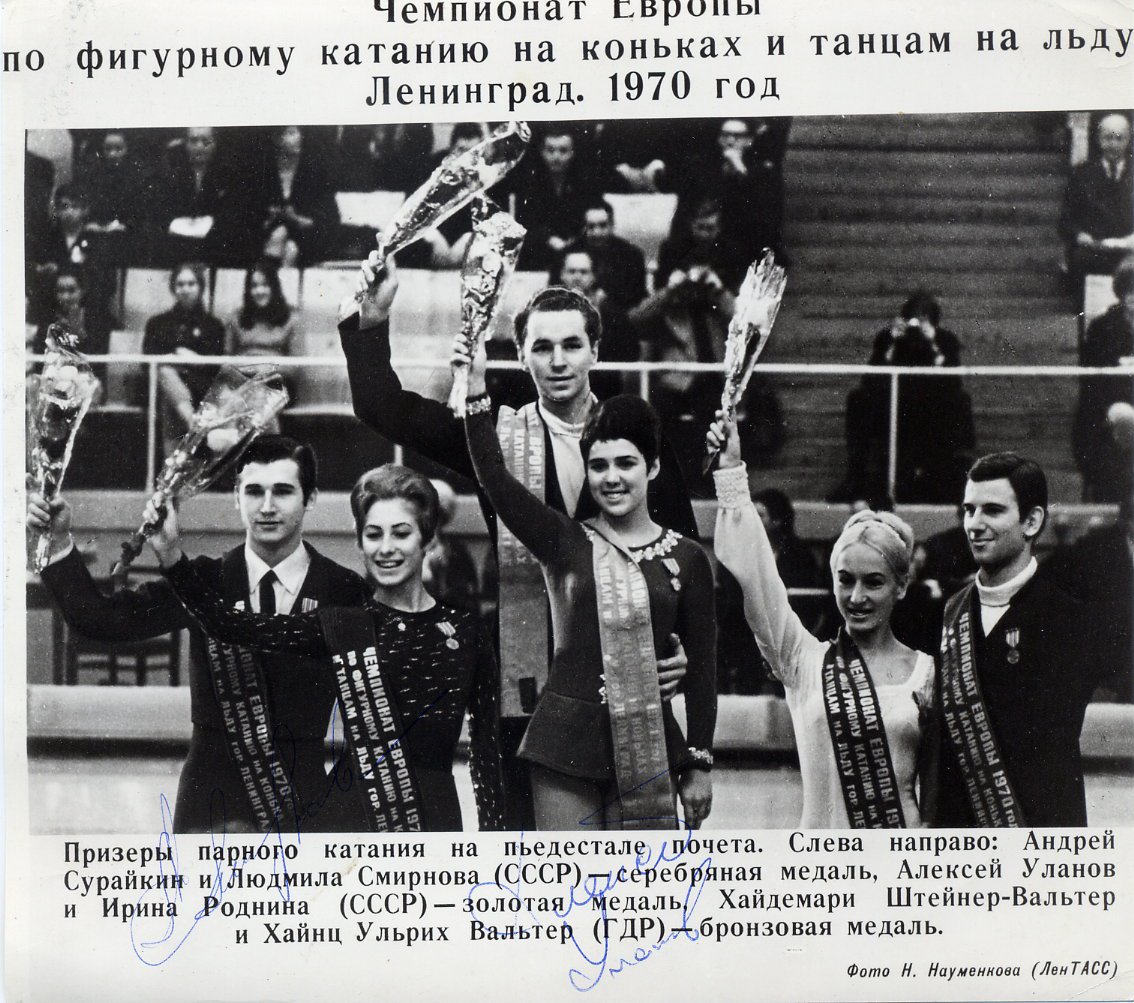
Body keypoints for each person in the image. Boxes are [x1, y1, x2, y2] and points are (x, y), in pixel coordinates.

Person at [337, 258, 697, 828]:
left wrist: (681, 651)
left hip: (628, 680)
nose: (557, 361)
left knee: (635, 867)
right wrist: (371, 319)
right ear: (522, 354)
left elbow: (682, 562)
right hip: (521, 683)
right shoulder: (494, 437)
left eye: (571, 345)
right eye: (541, 346)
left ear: (595, 353)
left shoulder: (640, 443)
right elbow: (382, 407)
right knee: (528, 862)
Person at [26, 436, 372, 834]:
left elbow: (369, 719)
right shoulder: (204, 579)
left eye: (283, 491)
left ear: (310, 498)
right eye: (254, 491)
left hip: (304, 799)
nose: (267, 506)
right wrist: (56, 539)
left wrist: (341, 805)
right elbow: (99, 620)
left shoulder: (344, 589)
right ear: (235, 498)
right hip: (209, 800)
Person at [148, 464, 506, 832]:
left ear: (428, 538)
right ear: (359, 540)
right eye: (373, 534)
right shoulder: (342, 623)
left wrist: (496, 840)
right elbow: (229, 625)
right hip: (345, 825)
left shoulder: (467, 632)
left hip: (436, 819)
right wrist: (172, 556)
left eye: (401, 534)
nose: (386, 549)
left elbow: (487, 755)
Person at [457, 336, 716, 829]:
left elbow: (703, 672)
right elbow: (494, 476)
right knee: (567, 892)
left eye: (626, 463)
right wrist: (473, 390)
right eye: (598, 465)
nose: (611, 478)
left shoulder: (688, 557)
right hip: (563, 744)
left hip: (649, 740)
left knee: (642, 899)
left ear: (653, 467)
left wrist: (700, 761)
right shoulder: (561, 539)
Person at [710, 415, 938, 828]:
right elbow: (758, 574)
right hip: (819, 872)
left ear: (901, 587)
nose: (857, 597)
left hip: (899, 864)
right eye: (845, 580)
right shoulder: (802, 661)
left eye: (874, 583)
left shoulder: (927, 674)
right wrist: (731, 473)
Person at [936, 453, 1102, 827]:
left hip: (1037, 839)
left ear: (1032, 521)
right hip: (955, 846)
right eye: (968, 510)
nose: (973, 525)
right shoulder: (946, 615)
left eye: (992, 511)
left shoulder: (1072, 620)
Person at [828, 291, 975, 504]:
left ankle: (951, 481)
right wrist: (891, 346)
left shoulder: (945, 340)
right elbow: (870, 380)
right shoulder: (889, 337)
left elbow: (954, 382)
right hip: (895, 408)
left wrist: (933, 344)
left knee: (960, 402)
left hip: (933, 409)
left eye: (923, 319)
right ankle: (856, 479)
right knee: (857, 399)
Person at [142, 262, 226, 455]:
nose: (185, 289)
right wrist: (172, 358)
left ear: (201, 287)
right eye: (180, 284)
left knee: (171, 401)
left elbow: (216, 366)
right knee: (165, 374)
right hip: (159, 386)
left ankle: (171, 475)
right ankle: (194, 425)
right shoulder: (157, 323)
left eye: (191, 284)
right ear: (173, 288)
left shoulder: (213, 325)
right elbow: (146, 363)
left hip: (201, 386)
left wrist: (193, 359)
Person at [1072, 254, 1134, 501]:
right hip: (1106, 418)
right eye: (1132, 292)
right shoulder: (1102, 328)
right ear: (1123, 295)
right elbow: (1093, 385)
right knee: (1122, 415)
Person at [1059, 112, 1134, 303]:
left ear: (1128, 140)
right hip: (1094, 248)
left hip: (1129, 250)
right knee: (1079, 260)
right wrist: (1080, 236)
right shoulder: (1083, 174)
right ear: (1099, 140)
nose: (1114, 145)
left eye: (1119, 138)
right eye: (1108, 138)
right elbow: (1066, 220)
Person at [224, 260, 303, 406]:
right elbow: (226, 362)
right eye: (254, 286)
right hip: (243, 380)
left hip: (278, 383)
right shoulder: (236, 317)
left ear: (274, 287)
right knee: (233, 397)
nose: (259, 291)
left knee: (258, 395)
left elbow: (297, 366)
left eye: (265, 285)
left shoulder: (291, 318)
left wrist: (265, 369)